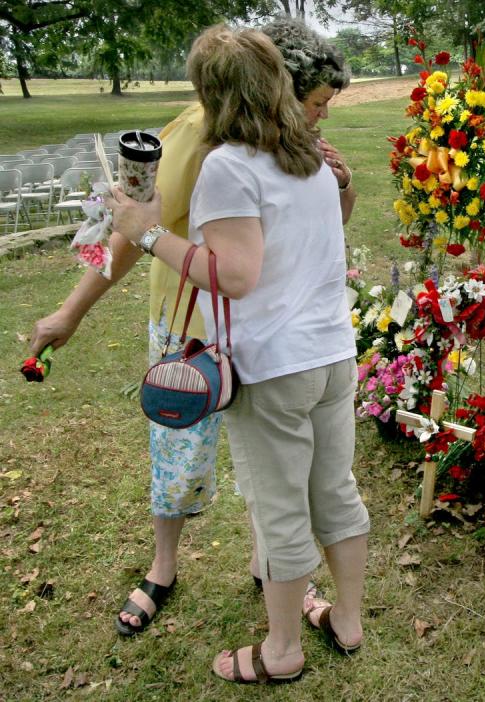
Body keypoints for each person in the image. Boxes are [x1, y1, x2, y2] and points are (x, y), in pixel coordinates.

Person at [27, 17, 356, 638]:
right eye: (316, 103)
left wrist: (339, 179)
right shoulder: (200, 142)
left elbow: (324, 228)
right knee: (181, 451)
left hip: (265, 337)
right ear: (278, 86)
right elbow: (130, 234)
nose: (323, 117)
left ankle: (275, 569)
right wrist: (71, 310)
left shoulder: (288, 143)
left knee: (274, 468)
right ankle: (163, 567)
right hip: (192, 329)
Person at [105, 24, 368, 683]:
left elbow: (237, 273)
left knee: (280, 511)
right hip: (333, 355)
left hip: (276, 369)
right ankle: (347, 621)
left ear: (211, 92)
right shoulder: (306, 153)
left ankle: (280, 653)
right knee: (335, 491)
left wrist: (145, 233)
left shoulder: (228, 165)